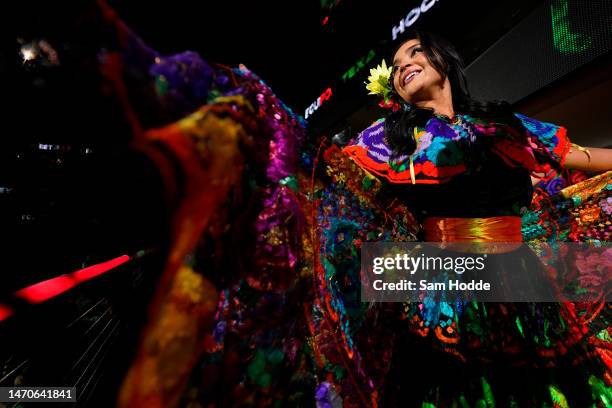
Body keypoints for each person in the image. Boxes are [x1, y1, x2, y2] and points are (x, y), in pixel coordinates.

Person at [331, 29, 612, 406]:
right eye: (396, 68)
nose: (403, 67)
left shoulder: (500, 121)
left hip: (520, 275)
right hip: (446, 282)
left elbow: (580, 156)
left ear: (443, 60)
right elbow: (330, 173)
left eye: (414, 53)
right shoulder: (386, 138)